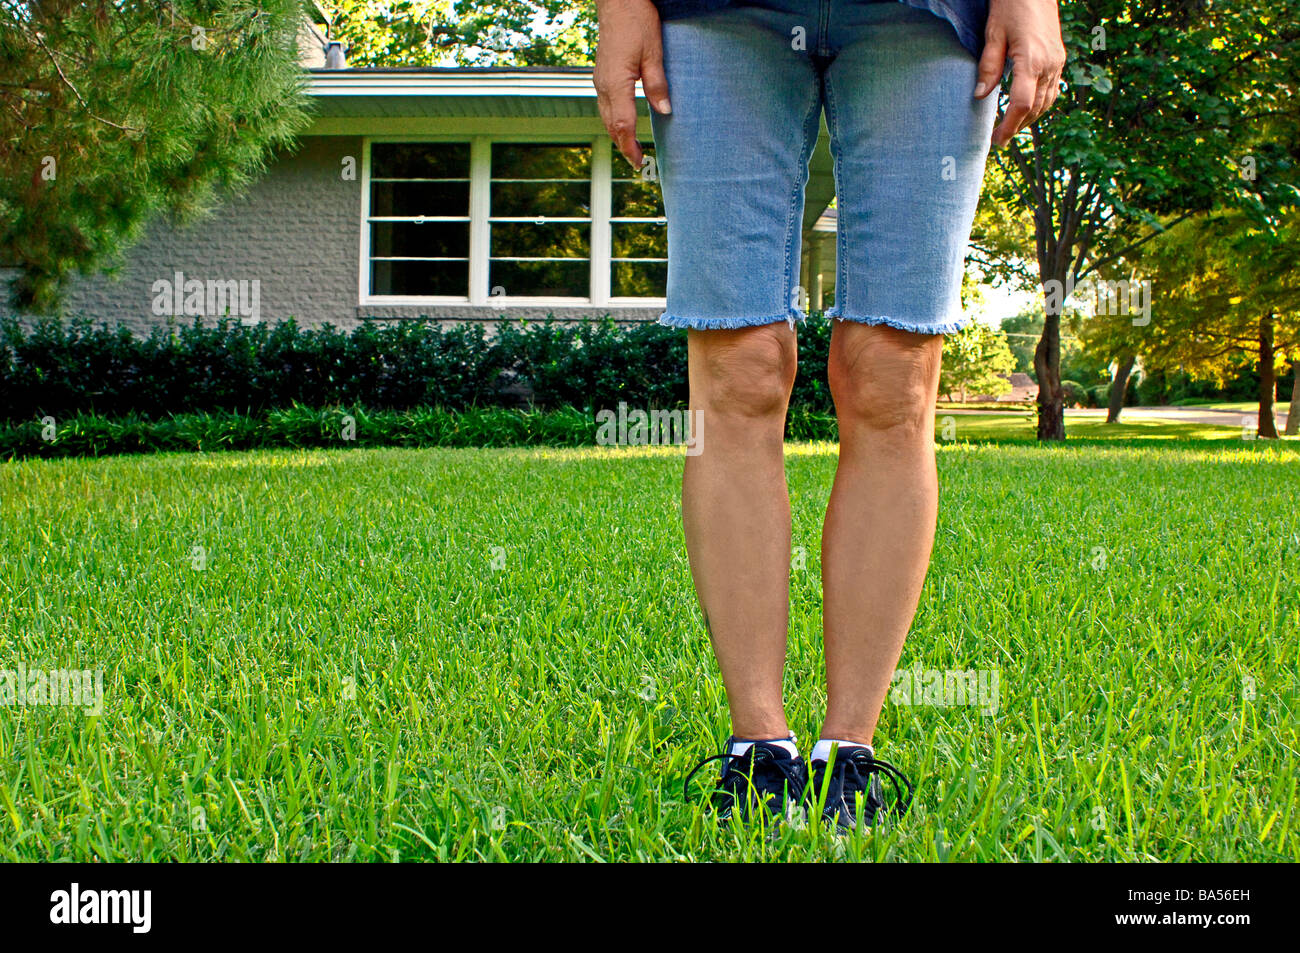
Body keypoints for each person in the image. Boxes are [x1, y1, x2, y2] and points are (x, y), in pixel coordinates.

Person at [594, 0, 1065, 830]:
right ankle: (758, 750)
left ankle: (848, 749)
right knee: (738, 366)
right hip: (713, 17)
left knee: (892, 374)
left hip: (928, 18)